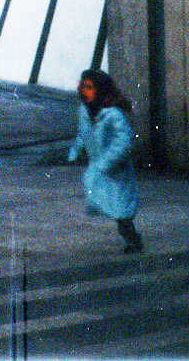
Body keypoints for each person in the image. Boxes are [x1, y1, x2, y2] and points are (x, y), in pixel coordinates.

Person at [68, 68, 143, 253]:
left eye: (89, 87)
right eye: (83, 86)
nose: (84, 91)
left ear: (100, 91)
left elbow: (124, 141)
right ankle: (131, 237)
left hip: (116, 171)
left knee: (121, 210)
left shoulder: (112, 115)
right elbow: (83, 134)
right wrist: (76, 150)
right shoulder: (85, 112)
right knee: (110, 203)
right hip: (100, 169)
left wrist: (107, 162)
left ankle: (133, 241)